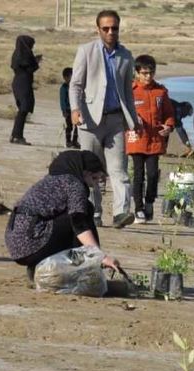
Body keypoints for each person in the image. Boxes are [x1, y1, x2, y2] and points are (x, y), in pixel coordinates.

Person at [5, 151, 120, 282]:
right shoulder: (74, 185)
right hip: (30, 242)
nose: (94, 184)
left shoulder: (51, 179)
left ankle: (40, 266)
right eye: (94, 178)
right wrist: (99, 256)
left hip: (15, 245)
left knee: (79, 211)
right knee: (84, 210)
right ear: (85, 173)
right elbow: (79, 223)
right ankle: (86, 270)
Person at [69, 9, 137, 229]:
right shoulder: (86, 51)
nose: (110, 32)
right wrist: (75, 109)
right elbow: (76, 84)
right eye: (106, 28)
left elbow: (128, 91)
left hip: (116, 120)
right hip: (90, 121)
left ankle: (121, 212)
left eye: (114, 28)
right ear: (98, 29)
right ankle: (93, 212)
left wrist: (133, 122)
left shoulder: (126, 56)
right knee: (91, 170)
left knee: (119, 169)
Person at [126, 55, 175, 224]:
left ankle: (149, 202)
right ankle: (138, 209)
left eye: (151, 73)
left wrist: (169, 126)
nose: (148, 76)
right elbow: (123, 114)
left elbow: (169, 113)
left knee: (153, 174)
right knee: (138, 175)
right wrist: (132, 121)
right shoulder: (130, 91)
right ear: (137, 73)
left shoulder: (161, 91)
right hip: (137, 139)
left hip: (155, 140)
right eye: (144, 73)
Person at [10, 35, 42, 145]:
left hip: (19, 83)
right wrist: (36, 62)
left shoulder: (17, 54)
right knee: (23, 110)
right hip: (24, 84)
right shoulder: (26, 55)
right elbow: (30, 69)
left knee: (22, 111)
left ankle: (16, 135)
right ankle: (17, 136)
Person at [60, 67, 79, 148]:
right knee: (69, 127)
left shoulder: (76, 87)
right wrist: (64, 110)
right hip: (68, 110)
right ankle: (68, 141)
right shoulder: (64, 88)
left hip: (76, 109)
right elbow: (62, 100)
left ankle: (75, 141)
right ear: (66, 77)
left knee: (77, 126)